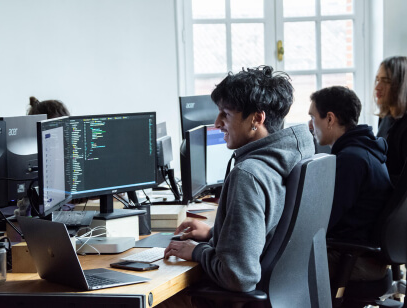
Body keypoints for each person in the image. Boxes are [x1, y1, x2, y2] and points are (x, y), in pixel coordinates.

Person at [161, 65, 315, 306]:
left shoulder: (248, 175)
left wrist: (197, 251)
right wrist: (214, 234)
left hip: (232, 300)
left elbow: (239, 276)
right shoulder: (291, 157)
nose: (217, 122)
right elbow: (271, 232)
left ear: (256, 118)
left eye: (226, 114)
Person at [308, 86, 392, 281]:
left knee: (276, 270)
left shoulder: (351, 160)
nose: (310, 126)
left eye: (313, 118)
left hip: (353, 259)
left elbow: (323, 222)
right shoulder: (365, 151)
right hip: (362, 256)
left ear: (330, 119)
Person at [375, 56, 407, 184]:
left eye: (386, 81)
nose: (378, 87)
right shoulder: (385, 117)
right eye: (377, 80)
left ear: (401, 85)